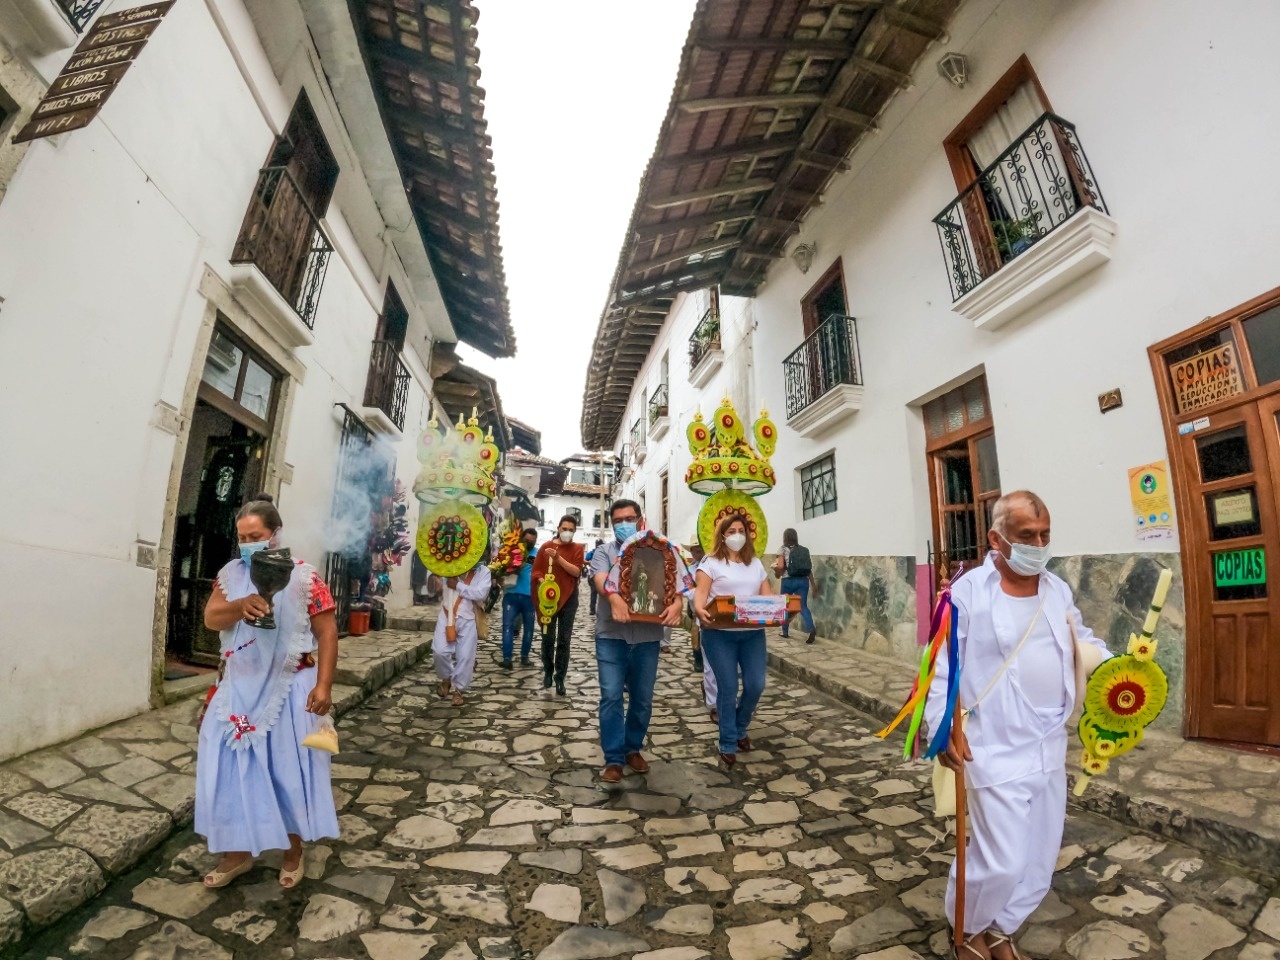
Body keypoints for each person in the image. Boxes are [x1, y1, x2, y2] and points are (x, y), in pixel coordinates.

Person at [928, 491, 1111, 960]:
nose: (1039, 543)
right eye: (1027, 536)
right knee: (1001, 860)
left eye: (1045, 534)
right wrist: (941, 723)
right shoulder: (968, 593)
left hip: (1049, 745)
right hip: (992, 745)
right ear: (997, 538)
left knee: (1038, 861)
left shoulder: (1056, 589)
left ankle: (1002, 929)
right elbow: (941, 664)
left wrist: (1119, 669)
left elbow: (1080, 638)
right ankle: (966, 932)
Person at [195, 495, 339, 890]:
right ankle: (236, 853)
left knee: (287, 771)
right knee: (229, 770)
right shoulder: (230, 574)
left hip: (291, 688)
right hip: (238, 687)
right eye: (242, 537)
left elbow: (327, 632)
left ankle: (293, 852)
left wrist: (324, 684)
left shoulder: (307, 578)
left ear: (275, 534)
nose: (248, 544)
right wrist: (242, 604)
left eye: (255, 535)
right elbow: (211, 618)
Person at [591, 499, 684, 784]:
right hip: (611, 635)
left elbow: (677, 579)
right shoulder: (602, 553)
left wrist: (678, 603)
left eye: (629, 518)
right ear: (611, 524)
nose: (623, 524)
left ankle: (632, 748)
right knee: (611, 696)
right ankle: (614, 759)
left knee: (642, 700)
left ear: (641, 521)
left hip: (647, 637)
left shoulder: (661, 549)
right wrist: (615, 598)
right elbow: (600, 579)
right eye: (617, 520)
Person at [693, 514, 773, 768]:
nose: (737, 535)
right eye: (731, 531)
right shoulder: (711, 564)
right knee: (727, 688)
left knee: (756, 684)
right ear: (722, 535)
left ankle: (739, 727)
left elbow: (768, 598)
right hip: (719, 634)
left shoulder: (756, 564)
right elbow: (700, 595)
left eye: (741, 530)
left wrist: (781, 610)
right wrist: (698, 610)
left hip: (751, 635)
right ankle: (728, 741)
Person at [531, 515, 585, 694]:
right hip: (548, 599)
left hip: (569, 599)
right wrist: (541, 582)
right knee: (548, 637)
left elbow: (576, 571)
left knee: (564, 639)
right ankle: (548, 670)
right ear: (558, 528)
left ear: (575, 531)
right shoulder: (546, 547)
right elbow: (536, 570)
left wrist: (558, 558)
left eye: (571, 529)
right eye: (564, 528)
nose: (567, 532)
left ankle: (560, 677)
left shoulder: (577, 548)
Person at [434, 556, 493, 707]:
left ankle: (458, 690)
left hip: (468, 618)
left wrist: (458, 586)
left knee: (465, 657)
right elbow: (434, 587)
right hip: (447, 614)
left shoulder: (483, 571)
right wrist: (434, 580)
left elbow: (480, 594)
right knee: (439, 651)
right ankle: (446, 678)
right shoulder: (448, 564)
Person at [500, 527, 538, 668]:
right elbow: (500, 567)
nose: (529, 543)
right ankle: (507, 659)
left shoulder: (537, 554)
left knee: (528, 628)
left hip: (529, 596)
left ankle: (524, 657)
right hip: (511, 594)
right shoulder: (512, 551)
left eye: (532, 541)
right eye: (526, 540)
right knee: (508, 627)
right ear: (522, 538)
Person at [773, 528, 818, 644]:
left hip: (788, 581)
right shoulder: (802, 550)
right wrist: (813, 585)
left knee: (785, 606)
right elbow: (808, 570)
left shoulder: (782, 549)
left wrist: (775, 570)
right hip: (803, 581)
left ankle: (785, 632)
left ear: (785, 537)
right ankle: (811, 628)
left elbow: (781, 568)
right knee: (802, 606)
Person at [585, 538, 604, 615]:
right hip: (602, 575)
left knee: (593, 593)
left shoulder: (592, 552)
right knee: (602, 594)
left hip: (592, 575)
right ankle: (601, 610)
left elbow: (586, 559)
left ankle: (592, 610)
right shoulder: (603, 552)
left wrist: (590, 563)